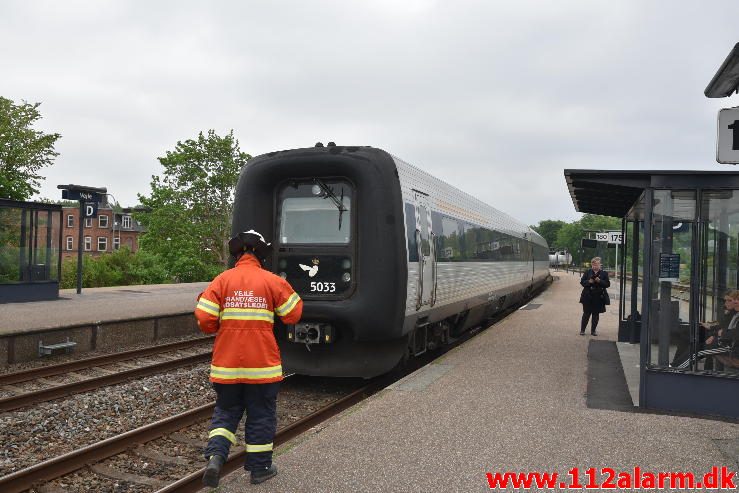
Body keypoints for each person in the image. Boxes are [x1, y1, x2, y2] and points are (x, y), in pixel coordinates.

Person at [195, 229, 303, 487]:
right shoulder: (271, 281)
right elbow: (293, 313)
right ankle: (260, 469)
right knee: (261, 415)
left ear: (237, 254)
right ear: (260, 255)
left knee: (226, 412)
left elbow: (204, 318)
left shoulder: (221, 280)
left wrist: (217, 326)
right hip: (262, 368)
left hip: (226, 366)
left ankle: (216, 458)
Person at [579, 257, 610, 336]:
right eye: (593, 264)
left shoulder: (604, 273)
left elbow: (607, 284)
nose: (595, 266)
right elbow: (582, 282)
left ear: (600, 265)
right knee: (586, 314)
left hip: (599, 297)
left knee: (595, 315)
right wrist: (589, 281)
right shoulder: (587, 272)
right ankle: (582, 330)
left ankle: (593, 331)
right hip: (587, 296)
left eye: (597, 264)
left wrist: (600, 281)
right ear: (591, 264)